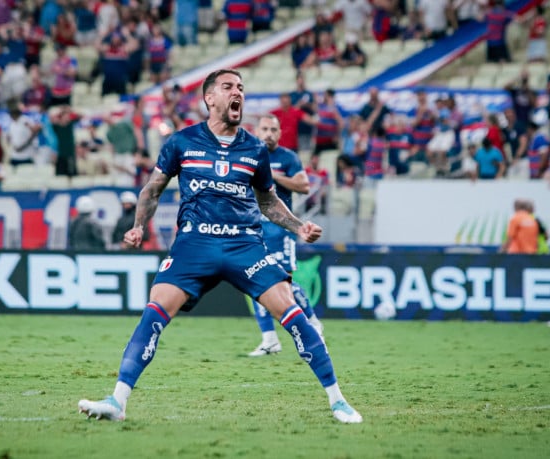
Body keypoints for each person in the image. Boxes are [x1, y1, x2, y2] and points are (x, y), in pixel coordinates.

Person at [78, 69, 363, 424]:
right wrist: (138, 227)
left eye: (241, 87)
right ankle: (118, 401)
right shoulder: (182, 142)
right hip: (195, 243)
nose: (237, 93)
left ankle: (338, 400)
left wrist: (298, 225)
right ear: (210, 98)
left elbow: (268, 201)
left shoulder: (255, 149)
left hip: (244, 244)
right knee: (154, 312)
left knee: (292, 314)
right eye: (229, 87)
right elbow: (152, 190)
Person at [247, 114, 324, 356]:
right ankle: (269, 339)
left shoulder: (287, 158)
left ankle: (313, 322)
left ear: (280, 133)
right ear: (256, 131)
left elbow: (304, 186)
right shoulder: (248, 153)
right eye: (264, 129)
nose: (268, 133)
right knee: (254, 282)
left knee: (284, 283)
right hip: (253, 228)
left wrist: (268, 174)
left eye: (273, 129)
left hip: (281, 229)